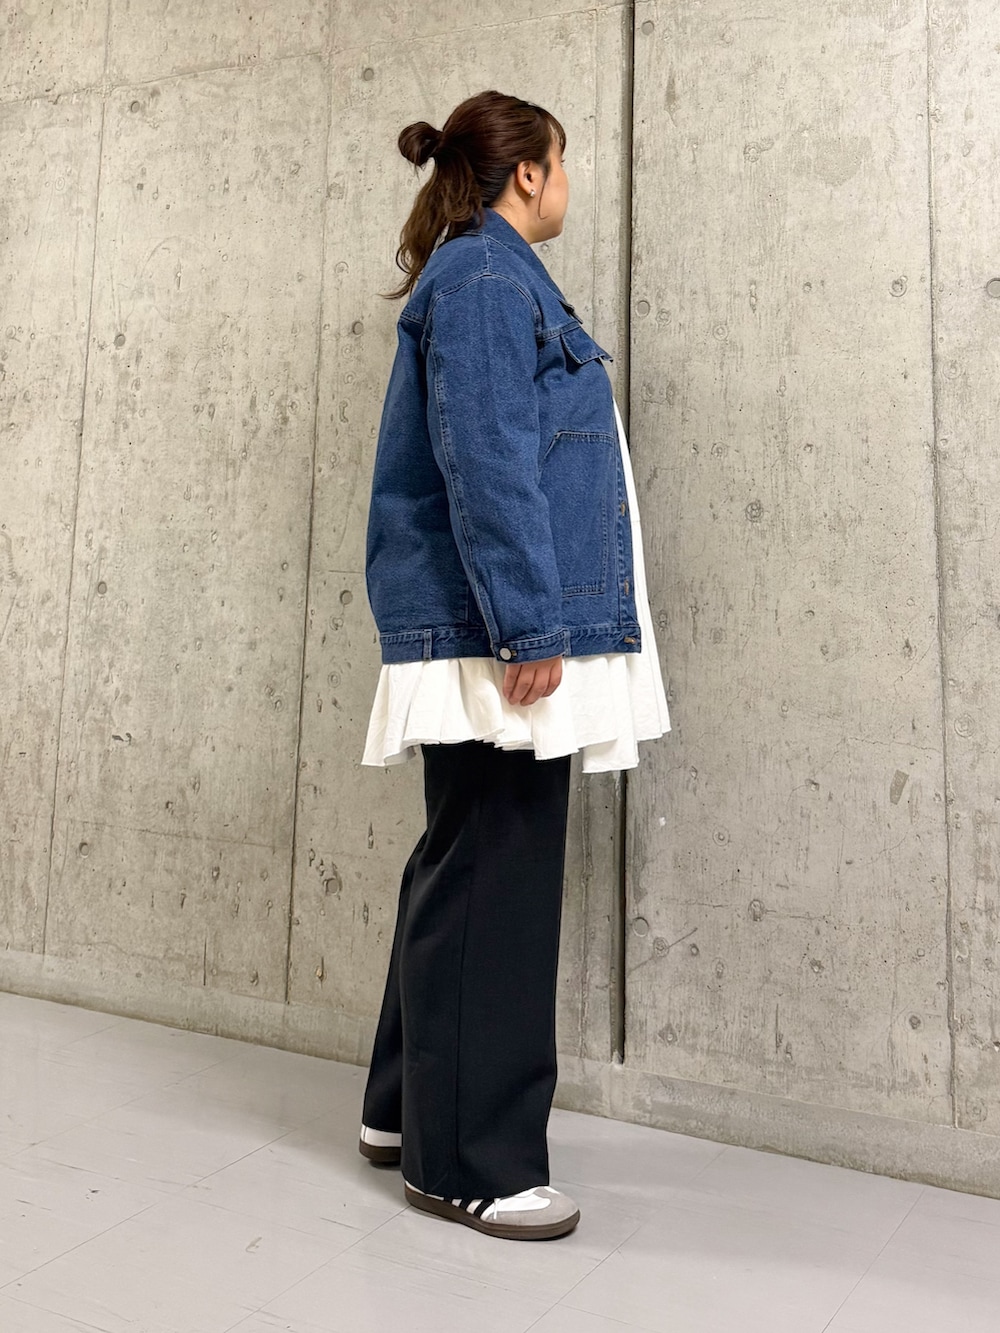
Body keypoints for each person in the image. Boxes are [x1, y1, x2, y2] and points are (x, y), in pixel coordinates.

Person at [357, 89, 671, 1241]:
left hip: (487, 621)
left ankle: (403, 1110)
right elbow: (486, 454)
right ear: (528, 172)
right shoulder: (490, 276)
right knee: (496, 873)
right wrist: (528, 626)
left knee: (463, 859)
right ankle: (469, 1163)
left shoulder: (480, 272)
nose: (568, 182)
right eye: (563, 162)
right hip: (498, 629)